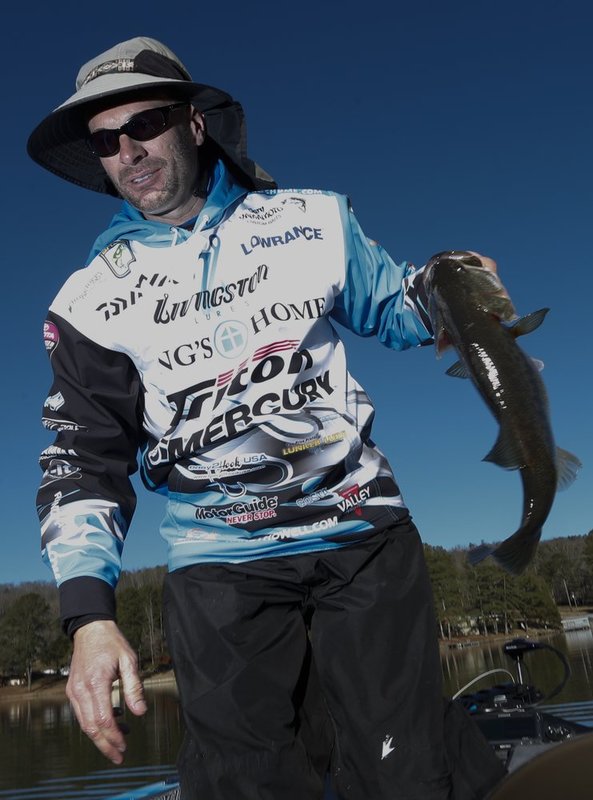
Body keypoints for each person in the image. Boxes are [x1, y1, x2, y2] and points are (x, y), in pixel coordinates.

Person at [28, 37, 506, 800]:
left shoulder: (312, 218)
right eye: (105, 140)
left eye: (145, 122)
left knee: (407, 771)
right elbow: (82, 462)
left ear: (192, 123)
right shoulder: (85, 299)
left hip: (362, 542)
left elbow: (397, 309)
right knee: (245, 785)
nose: (128, 151)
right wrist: (88, 616)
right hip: (218, 571)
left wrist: (451, 288)